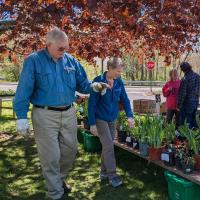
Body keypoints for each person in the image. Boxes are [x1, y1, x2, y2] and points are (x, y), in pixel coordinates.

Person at [13, 27, 109, 200]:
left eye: (66, 48)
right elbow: (23, 90)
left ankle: (59, 180)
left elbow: (83, 84)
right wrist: (21, 116)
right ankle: (55, 193)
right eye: (60, 48)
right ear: (48, 45)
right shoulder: (34, 61)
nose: (64, 52)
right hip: (44, 115)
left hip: (69, 112)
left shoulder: (71, 61)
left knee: (70, 151)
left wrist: (95, 86)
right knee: (51, 156)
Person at [88, 57, 134, 188]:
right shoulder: (98, 81)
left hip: (112, 118)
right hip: (100, 118)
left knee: (107, 146)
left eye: (120, 72)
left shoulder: (119, 82)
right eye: (118, 71)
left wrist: (130, 116)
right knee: (109, 146)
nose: (120, 74)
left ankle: (103, 172)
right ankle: (112, 176)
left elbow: (124, 99)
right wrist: (92, 124)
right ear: (110, 68)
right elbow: (91, 104)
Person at [177, 62, 200, 129]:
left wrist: (179, 105)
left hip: (187, 103)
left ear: (183, 70)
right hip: (195, 102)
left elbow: (182, 94)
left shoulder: (185, 79)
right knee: (194, 121)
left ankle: (186, 138)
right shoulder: (197, 76)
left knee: (186, 122)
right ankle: (194, 137)